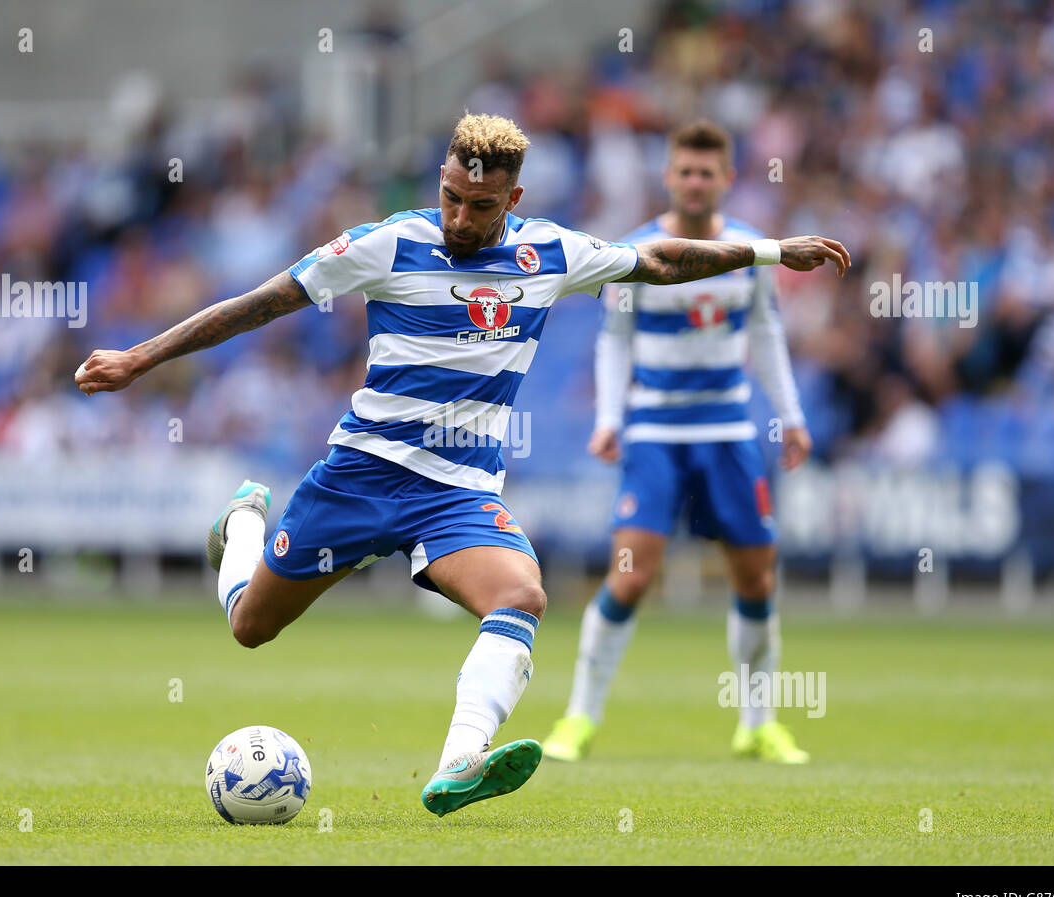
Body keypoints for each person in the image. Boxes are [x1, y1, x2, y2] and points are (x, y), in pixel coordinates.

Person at [75, 113, 848, 815]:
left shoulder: (551, 254)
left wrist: (773, 251)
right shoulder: (385, 243)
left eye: (480, 207)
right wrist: (140, 357)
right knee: (250, 627)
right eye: (449, 197)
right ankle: (244, 523)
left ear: (514, 198)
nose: (459, 217)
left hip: (458, 490)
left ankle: (457, 763)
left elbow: (664, 261)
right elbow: (260, 304)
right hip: (360, 476)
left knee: (521, 594)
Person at [544, 121, 815, 765]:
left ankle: (757, 724)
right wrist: (608, 417)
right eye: (684, 171)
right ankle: (579, 718)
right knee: (632, 575)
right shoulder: (637, 253)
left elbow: (767, 335)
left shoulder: (754, 252)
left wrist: (792, 416)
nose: (695, 182)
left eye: (707, 172)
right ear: (669, 177)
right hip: (656, 431)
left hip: (726, 430)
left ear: (726, 179)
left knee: (755, 576)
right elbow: (613, 339)